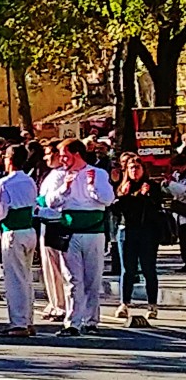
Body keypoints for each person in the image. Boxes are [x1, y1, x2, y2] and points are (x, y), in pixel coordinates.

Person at [39, 139, 116, 337]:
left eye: (65, 155)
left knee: (93, 277)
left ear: (77, 154)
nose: (62, 159)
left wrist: (91, 187)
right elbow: (50, 202)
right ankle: (72, 322)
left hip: (94, 233)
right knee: (72, 278)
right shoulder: (60, 175)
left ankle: (91, 320)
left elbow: (107, 199)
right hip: (69, 231)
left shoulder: (98, 173)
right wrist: (65, 187)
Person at [0, 145, 38, 337]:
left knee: (15, 279)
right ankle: (28, 319)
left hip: (12, 231)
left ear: (8, 160)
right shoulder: (29, 180)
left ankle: (18, 322)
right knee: (26, 277)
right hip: (29, 230)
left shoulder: (4, 182)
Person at [112, 157, 162, 320]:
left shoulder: (151, 186)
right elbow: (116, 210)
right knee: (127, 269)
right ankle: (124, 303)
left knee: (149, 268)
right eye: (131, 168)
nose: (134, 170)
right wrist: (123, 195)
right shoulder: (123, 187)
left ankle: (152, 305)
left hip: (147, 232)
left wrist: (144, 195)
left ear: (143, 169)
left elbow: (156, 207)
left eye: (137, 167)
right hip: (127, 231)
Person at [36, 140, 66, 322]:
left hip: (55, 221)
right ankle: (54, 301)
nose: (46, 157)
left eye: (49, 153)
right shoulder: (52, 174)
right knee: (48, 266)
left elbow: (54, 201)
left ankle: (61, 305)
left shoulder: (62, 175)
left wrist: (40, 208)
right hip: (45, 221)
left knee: (57, 266)